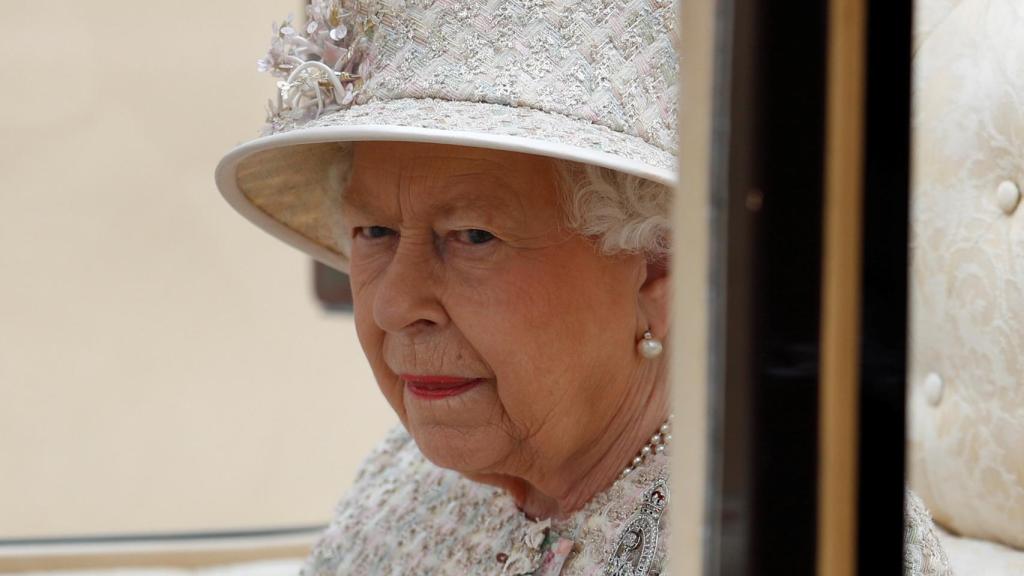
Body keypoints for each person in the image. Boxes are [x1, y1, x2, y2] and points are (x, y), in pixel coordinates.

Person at [214, 1, 951, 574]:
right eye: (373, 233)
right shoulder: (404, 483)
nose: (392, 303)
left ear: (659, 265)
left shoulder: (787, 530)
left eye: (472, 236)